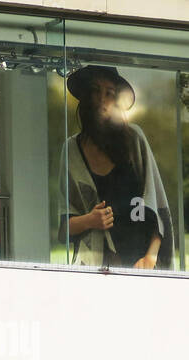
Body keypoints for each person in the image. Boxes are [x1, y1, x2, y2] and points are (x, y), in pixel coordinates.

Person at [60, 66, 173, 269]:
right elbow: (63, 227)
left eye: (110, 93)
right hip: (95, 271)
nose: (102, 99)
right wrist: (90, 220)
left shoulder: (134, 139)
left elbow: (158, 209)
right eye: (95, 90)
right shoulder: (71, 149)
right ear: (86, 95)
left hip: (140, 266)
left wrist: (150, 257)